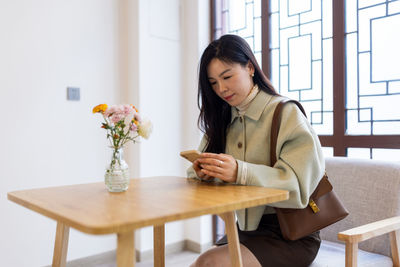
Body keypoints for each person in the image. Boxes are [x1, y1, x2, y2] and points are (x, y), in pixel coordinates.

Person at [187, 34, 325, 267]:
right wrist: (205, 173)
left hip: (291, 233)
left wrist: (240, 172)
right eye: (213, 83)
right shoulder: (222, 119)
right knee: (201, 263)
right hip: (244, 229)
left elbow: (299, 185)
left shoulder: (285, 112)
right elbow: (194, 177)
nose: (221, 88)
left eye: (227, 76)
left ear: (250, 67)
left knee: (207, 263)